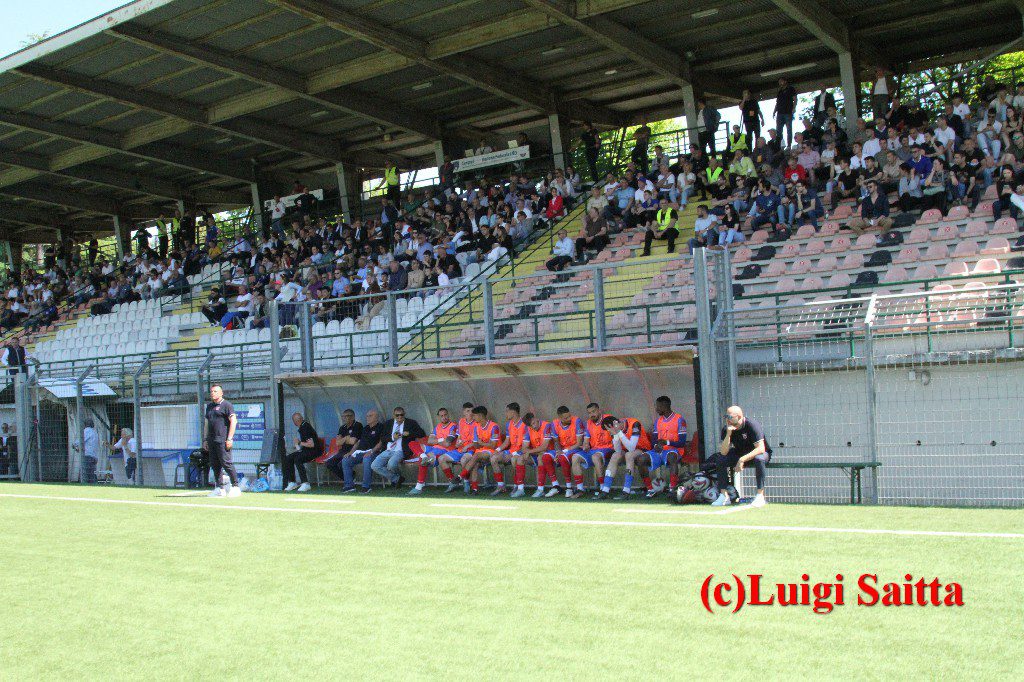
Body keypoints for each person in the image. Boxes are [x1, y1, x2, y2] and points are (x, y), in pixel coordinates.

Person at [712, 405, 771, 507]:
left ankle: (760, 496)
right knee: (720, 459)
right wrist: (728, 434)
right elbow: (724, 452)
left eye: (730, 417)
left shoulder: (751, 425)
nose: (727, 419)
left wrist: (742, 460)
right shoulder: (727, 428)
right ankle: (724, 496)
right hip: (740, 453)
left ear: (739, 417)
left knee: (759, 459)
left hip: (758, 453)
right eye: (726, 416)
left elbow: (761, 448)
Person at [593, 415, 652, 500]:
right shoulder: (615, 430)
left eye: (609, 429)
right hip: (627, 450)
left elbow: (631, 447)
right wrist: (616, 435)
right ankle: (605, 490)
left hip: (642, 449)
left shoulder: (635, 424)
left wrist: (619, 432)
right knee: (615, 455)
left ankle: (626, 491)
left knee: (629, 455)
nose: (609, 432)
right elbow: (617, 450)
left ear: (612, 425)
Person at [640, 396, 688, 498]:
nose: (656, 409)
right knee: (641, 459)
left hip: (674, 450)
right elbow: (654, 439)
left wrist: (667, 442)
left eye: (658, 406)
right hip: (659, 451)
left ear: (664, 406)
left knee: (671, 456)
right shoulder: (658, 421)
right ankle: (650, 489)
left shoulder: (679, 419)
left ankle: (672, 489)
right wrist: (656, 445)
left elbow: (682, 442)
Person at [408, 407, 461, 495]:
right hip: (433, 448)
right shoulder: (438, 427)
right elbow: (429, 441)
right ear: (439, 417)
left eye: (445, 415)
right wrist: (441, 440)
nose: (444, 417)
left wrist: (437, 440)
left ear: (448, 415)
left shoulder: (453, 426)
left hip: (444, 451)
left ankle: (419, 487)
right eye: (441, 416)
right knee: (412, 443)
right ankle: (423, 455)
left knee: (424, 460)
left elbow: (447, 444)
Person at [371, 407, 426, 487]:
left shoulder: (410, 423)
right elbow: (382, 438)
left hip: (401, 450)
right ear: (394, 415)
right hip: (388, 450)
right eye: (397, 415)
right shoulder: (388, 423)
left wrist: (409, 433)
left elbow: (422, 434)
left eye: (401, 415)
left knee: (391, 464)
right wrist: (393, 437)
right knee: (374, 465)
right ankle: (397, 479)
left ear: (404, 414)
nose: (400, 417)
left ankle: (396, 480)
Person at [203, 384, 240, 498]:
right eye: (211, 391)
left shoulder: (227, 405)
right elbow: (206, 424)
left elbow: (233, 421)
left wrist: (230, 438)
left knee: (226, 463)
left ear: (221, 393)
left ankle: (235, 486)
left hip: (223, 440)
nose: (213, 393)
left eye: (215, 391)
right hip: (211, 440)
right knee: (215, 465)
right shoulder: (209, 406)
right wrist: (205, 439)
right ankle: (220, 488)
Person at [336, 410, 386, 493]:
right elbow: (358, 442)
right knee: (346, 460)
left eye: (370, 416)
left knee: (367, 459)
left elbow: (381, 442)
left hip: (375, 452)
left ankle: (366, 486)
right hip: (361, 452)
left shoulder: (381, 427)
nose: (367, 418)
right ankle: (349, 486)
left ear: (376, 417)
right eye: (367, 416)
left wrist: (372, 451)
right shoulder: (365, 428)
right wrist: (351, 452)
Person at [457, 405, 501, 494]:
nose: (473, 417)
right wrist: (475, 444)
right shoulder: (476, 427)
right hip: (481, 451)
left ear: (480, 416)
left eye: (475, 415)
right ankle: (475, 489)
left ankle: (461, 476)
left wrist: (481, 443)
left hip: (493, 451)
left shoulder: (494, 426)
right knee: (475, 463)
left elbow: (493, 445)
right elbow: (477, 446)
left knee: (476, 456)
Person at [282, 412, 322, 492]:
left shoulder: (306, 427)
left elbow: (311, 445)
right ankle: (292, 482)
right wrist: (298, 445)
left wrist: (299, 443)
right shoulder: (302, 427)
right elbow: (306, 444)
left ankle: (305, 483)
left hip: (315, 451)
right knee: (288, 458)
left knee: (298, 458)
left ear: (295, 421)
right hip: (306, 450)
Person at [73, 418, 100, 484]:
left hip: (87, 456)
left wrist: (73, 444)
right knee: (92, 474)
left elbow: (80, 440)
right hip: (93, 456)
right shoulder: (95, 432)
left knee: (86, 475)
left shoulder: (87, 431)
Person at [774, 77, 798, 148]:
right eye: (779, 82)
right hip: (780, 113)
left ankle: (789, 145)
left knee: (789, 129)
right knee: (779, 130)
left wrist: (794, 108)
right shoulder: (780, 91)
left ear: (785, 81)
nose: (780, 83)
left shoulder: (791, 89)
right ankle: (779, 145)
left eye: (781, 81)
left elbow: (795, 99)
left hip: (788, 112)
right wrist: (774, 111)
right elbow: (777, 102)